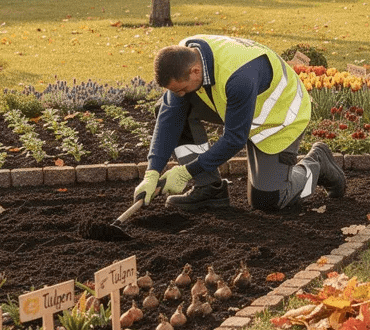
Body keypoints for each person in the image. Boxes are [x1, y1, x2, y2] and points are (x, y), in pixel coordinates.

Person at [133, 34, 346, 213]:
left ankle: (316, 164)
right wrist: (152, 173)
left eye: (180, 88)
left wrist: (186, 171)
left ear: (195, 71)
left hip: (279, 117)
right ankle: (209, 189)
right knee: (169, 108)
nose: (179, 94)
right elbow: (169, 116)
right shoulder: (188, 54)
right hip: (239, 106)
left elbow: (234, 139)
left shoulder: (238, 77)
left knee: (268, 201)